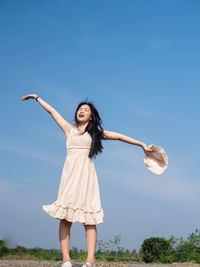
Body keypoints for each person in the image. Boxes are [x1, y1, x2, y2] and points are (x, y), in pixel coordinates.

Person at [21, 94, 154, 267]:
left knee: (89, 220)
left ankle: (89, 261)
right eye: (79, 109)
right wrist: (37, 98)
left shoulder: (96, 133)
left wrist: (141, 144)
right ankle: (66, 260)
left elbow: (119, 136)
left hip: (87, 177)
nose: (81, 111)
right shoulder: (69, 129)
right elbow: (52, 112)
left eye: (86, 110)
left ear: (91, 116)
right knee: (65, 218)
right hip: (69, 177)